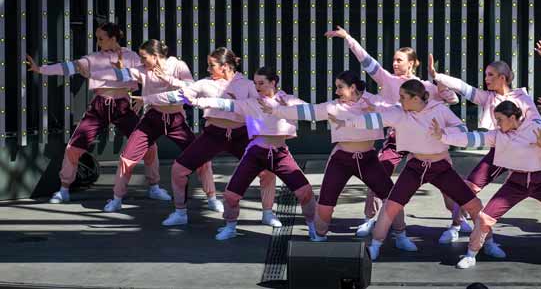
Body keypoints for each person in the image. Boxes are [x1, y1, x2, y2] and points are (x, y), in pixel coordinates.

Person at [324, 26, 464, 238]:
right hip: (396, 138)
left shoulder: (425, 86)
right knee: (378, 175)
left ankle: (458, 221)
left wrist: (440, 82)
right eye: (394, 60)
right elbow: (367, 61)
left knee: (448, 183)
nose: (395, 63)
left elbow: (453, 100)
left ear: (412, 63)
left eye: (399, 60)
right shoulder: (388, 80)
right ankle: (371, 219)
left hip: (425, 142)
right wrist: (348, 38)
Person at [330, 80, 483, 261]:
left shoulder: (439, 109)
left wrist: (443, 133)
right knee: (391, 206)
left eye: (403, 97)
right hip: (415, 167)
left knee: (474, 206)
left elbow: (461, 129)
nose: (400, 100)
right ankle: (375, 246)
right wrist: (347, 122)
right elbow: (374, 120)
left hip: (441, 167)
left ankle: (482, 246)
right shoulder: (399, 113)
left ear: (416, 98)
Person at [433, 101, 541, 270]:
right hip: (515, 183)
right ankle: (470, 254)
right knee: (484, 218)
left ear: (512, 117)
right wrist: (443, 136)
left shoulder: (535, 129)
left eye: (500, 119)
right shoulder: (498, 134)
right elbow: (473, 138)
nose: (497, 123)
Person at [262, 70, 413, 249]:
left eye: (340, 87)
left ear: (353, 87)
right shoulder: (334, 106)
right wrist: (276, 110)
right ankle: (319, 236)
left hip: (368, 159)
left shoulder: (374, 101)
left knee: (392, 198)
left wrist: (377, 110)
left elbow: (400, 111)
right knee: (326, 202)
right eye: (337, 88)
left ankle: (401, 235)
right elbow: (309, 111)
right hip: (341, 159)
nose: (337, 92)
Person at [25, 22, 165, 204]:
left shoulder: (132, 56)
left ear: (113, 39)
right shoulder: (94, 58)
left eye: (101, 38)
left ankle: (154, 186)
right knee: (74, 147)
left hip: (123, 105)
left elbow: (149, 75)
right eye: (97, 38)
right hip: (99, 106)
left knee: (149, 144)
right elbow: (71, 66)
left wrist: (145, 97)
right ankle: (64, 189)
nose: (98, 42)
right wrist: (41, 69)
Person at [141, 47, 278, 228]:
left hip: (240, 135)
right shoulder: (205, 83)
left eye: (211, 65)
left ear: (225, 67)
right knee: (178, 169)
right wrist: (148, 99)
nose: (207, 69)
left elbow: (262, 104)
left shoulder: (246, 84)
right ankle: (180, 213)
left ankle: (268, 213)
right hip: (214, 134)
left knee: (267, 171)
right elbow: (178, 95)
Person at [192, 67, 317, 240]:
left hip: (280, 154)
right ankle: (230, 226)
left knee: (305, 192)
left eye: (261, 83)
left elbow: (311, 111)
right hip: (255, 153)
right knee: (231, 195)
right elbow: (225, 104)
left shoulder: (287, 100)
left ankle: (313, 228)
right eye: (255, 83)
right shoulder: (251, 102)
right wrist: (197, 101)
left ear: (273, 82)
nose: (257, 86)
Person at [93, 39, 216, 212]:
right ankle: (117, 199)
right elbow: (125, 75)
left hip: (176, 119)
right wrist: (118, 67)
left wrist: (167, 78)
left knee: (202, 159)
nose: (141, 61)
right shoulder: (143, 69)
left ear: (156, 56)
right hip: (153, 117)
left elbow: (191, 87)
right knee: (126, 158)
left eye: (144, 57)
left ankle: (211, 198)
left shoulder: (177, 65)